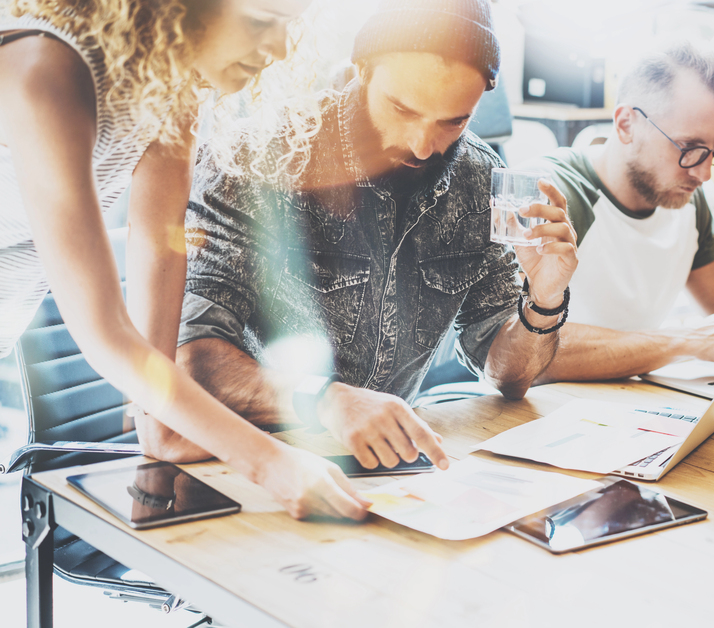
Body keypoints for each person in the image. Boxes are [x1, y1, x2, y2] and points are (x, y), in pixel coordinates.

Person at [140, 0, 579, 473]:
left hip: (391, 467)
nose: (422, 146)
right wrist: (327, 401)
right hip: (245, 461)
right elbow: (188, 362)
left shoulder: (477, 179)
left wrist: (543, 299)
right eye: (402, 109)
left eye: (453, 121)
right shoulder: (251, 161)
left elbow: (507, 376)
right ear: (361, 70)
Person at [0, 1, 379, 521]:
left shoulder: (170, 87)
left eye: (290, 27)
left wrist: (160, 424)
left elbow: (160, 241)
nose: (277, 50)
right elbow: (107, 335)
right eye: (260, 21)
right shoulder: (43, 70)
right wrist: (269, 463)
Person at [520, 41, 714, 384]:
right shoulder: (550, 194)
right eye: (689, 148)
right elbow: (523, 349)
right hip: (548, 406)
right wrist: (688, 342)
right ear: (626, 124)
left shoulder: (685, 200)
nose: (704, 174)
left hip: (630, 400)